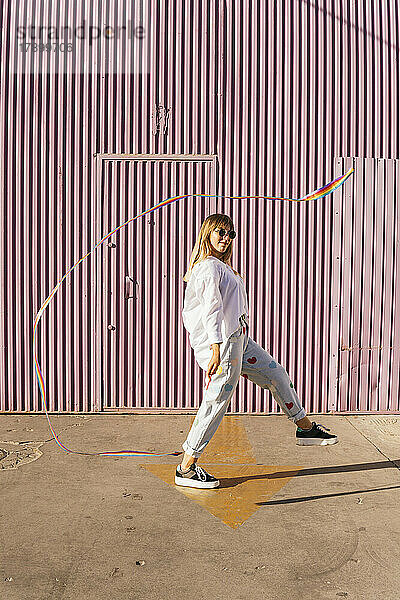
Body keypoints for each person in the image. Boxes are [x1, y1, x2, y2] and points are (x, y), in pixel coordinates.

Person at [176, 213, 338, 489]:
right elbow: (211, 310)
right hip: (225, 344)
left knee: (275, 373)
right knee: (216, 403)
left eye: (230, 234)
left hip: (239, 339)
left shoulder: (222, 267)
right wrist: (215, 348)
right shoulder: (208, 268)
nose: (226, 239)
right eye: (220, 232)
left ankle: (305, 427)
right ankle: (186, 468)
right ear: (207, 234)